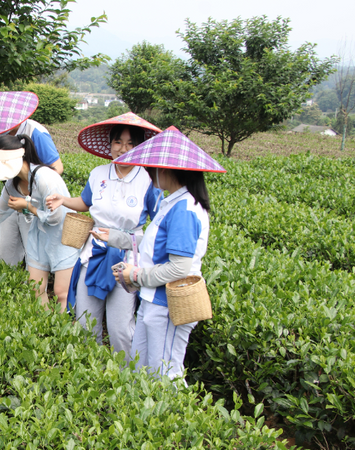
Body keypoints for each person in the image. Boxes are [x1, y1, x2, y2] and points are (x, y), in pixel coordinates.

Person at [109, 126, 226, 380]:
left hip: (168, 305)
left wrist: (136, 275)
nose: (149, 172)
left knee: (165, 375)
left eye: (154, 167)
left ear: (171, 169)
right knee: (142, 369)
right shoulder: (170, 201)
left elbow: (179, 268)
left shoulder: (184, 209)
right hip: (153, 301)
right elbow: (154, 246)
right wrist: (117, 239)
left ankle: (175, 419)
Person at [45, 112, 161, 364]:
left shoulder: (148, 180)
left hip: (126, 260)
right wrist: (64, 200)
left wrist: (124, 239)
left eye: (131, 143)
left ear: (140, 148)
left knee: (120, 327)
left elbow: (159, 226)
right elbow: (85, 202)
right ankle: (92, 375)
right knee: (85, 320)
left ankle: (128, 377)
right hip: (94, 255)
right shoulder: (98, 173)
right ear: (110, 144)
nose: (123, 149)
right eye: (118, 142)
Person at [0, 134, 78, 312]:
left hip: (62, 238)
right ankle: (48, 331)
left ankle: (67, 334)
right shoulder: (12, 184)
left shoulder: (45, 178)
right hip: (37, 238)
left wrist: (27, 206)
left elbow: (55, 217)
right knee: (36, 289)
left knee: (61, 293)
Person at [0, 91, 64, 267]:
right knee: (7, 249)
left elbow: (57, 168)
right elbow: (0, 167)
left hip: (34, 201)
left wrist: (29, 199)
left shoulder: (37, 133)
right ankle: (10, 286)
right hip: (12, 194)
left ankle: (32, 285)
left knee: (33, 252)